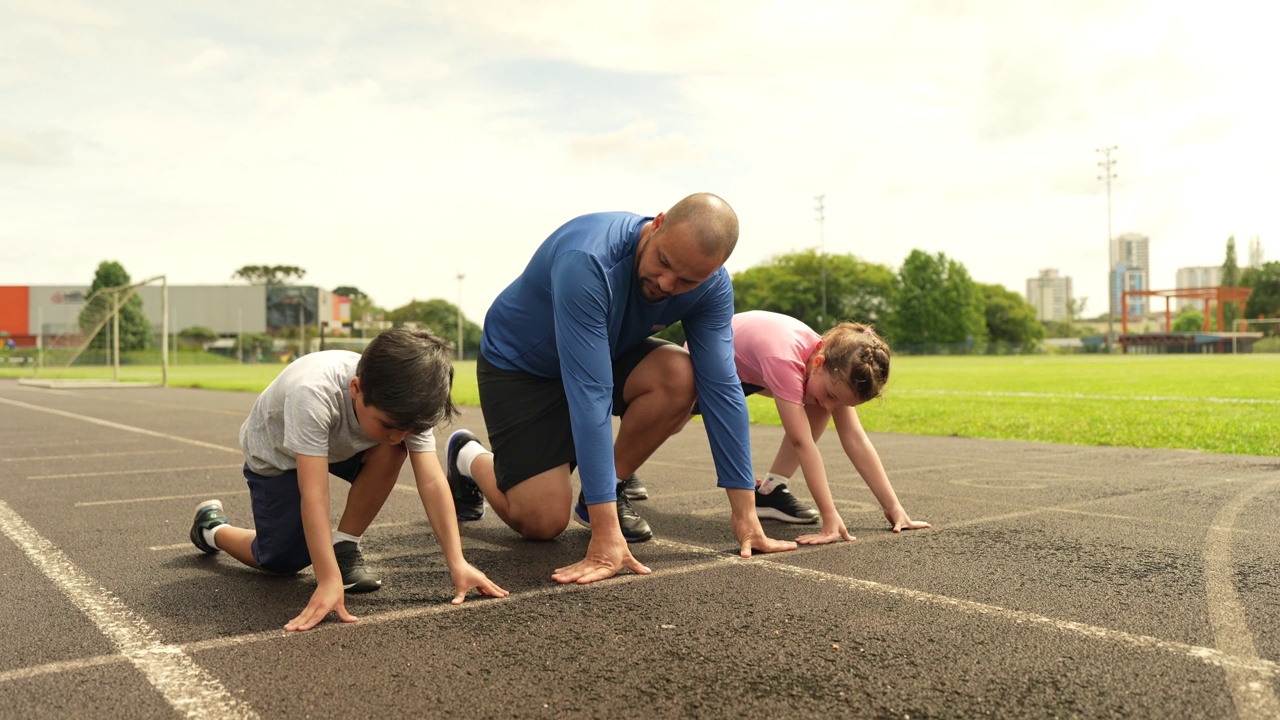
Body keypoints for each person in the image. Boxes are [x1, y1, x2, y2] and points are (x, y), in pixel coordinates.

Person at [446, 193, 797, 585]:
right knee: (541, 523)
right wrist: (605, 533)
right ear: (658, 222)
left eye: (686, 281)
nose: (665, 284)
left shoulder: (711, 287)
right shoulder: (589, 259)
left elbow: (722, 387)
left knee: (681, 377)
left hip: (607, 349)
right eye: (663, 262)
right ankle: (468, 456)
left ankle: (605, 489)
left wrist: (747, 516)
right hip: (523, 365)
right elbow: (590, 393)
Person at [188, 327, 507, 632]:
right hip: (278, 454)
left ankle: (345, 545)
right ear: (356, 389)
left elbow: (433, 481)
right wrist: (328, 580)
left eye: (408, 429)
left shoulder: (410, 402)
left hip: (348, 446)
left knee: (393, 450)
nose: (400, 435)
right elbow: (313, 494)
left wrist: (457, 561)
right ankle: (212, 529)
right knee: (281, 562)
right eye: (389, 425)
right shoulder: (313, 394)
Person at [689, 310, 930, 543]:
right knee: (673, 421)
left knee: (817, 405)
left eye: (840, 401)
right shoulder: (786, 359)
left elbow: (856, 440)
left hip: (750, 368)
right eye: (831, 394)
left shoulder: (836, 365)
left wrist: (893, 507)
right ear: (818, 362)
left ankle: (771, 490)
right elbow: (801, 443)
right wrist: (830, 515)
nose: (830, 405)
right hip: (704, 357)